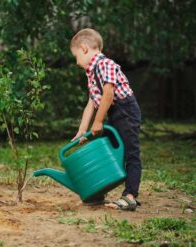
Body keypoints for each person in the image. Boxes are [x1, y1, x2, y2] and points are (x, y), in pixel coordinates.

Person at [70, 28, 142, 211]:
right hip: (113, 111)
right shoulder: (91, 71)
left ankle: (130, 195)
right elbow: (92, 103)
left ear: (84, 49)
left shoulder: (104, 64)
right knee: (107, 150)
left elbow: (108, 95)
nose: (77, 62)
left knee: (130, 153)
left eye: (76, 56)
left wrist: (98, 122)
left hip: (125, 110)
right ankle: (99, 190)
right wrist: (82, 130)